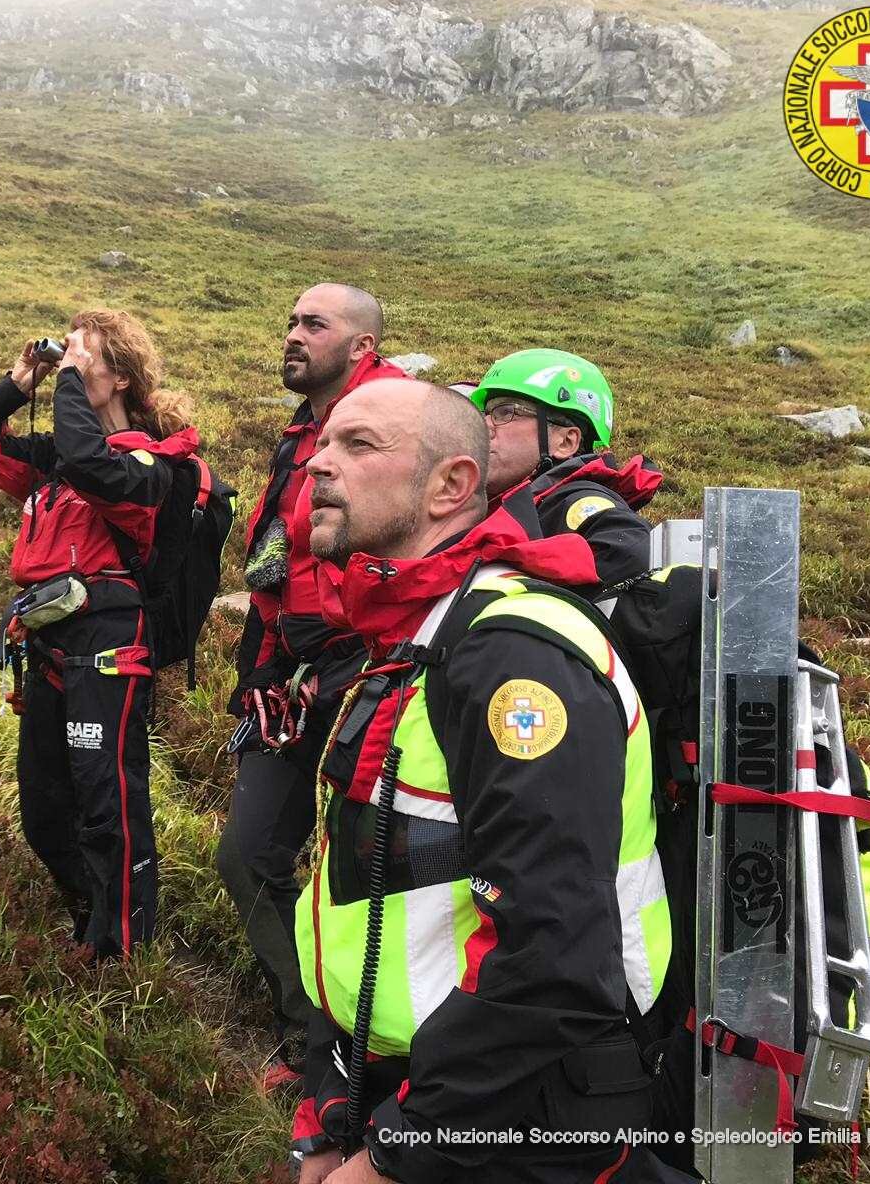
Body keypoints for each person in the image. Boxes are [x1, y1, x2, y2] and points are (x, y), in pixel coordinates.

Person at [290, 376, 679, 1183]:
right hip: (416, 1080)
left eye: (358, 446)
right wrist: (337, 1094)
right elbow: (381, 887)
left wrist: (403, 1150)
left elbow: (556, 954)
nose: (318, 466)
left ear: (451, 487)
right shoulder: (412, 637)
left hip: (517, 1118)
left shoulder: (512, 654)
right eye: (323, 443)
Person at [0, 310, 198, 959]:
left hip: (109, 647)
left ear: (116, 376)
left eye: (84, 355)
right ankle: (92, 916)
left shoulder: (148, 464)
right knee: (45, 809)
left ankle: (125, 948)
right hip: (49, 645)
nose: (70, 362)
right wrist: (19, 382)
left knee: (108, 802)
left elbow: (90, 460)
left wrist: (70, 386)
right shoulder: (61, 459)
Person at [217, 283, 410, 1089]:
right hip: (293, 681)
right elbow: (275, 565)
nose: (292, 334)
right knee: (247, 853)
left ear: (361, 346)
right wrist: (259, 671)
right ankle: (308, 1027)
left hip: (368, 674)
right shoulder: (305, 432)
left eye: (313, 324)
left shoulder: (395, 426)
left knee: (366, 875)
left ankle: (362, 1063)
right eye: (291, 321)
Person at [459, 348, 661, 590]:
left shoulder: (575, 499)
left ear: (566, 442)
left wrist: (504, 558)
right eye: (485, 414)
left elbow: (632, 552)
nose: (485, 426)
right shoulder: (512, 504)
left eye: (506, 412)